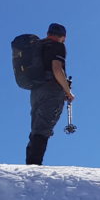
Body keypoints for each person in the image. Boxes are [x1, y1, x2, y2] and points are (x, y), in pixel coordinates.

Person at [26, 23, 74, 165]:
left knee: (36, 127)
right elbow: (57, 69)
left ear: (48, 33)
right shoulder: (58, 46)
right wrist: (67, 91)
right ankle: (34, 166)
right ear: (63, 37)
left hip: (35, 90)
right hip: (51, 90)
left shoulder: (38, 47)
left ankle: (30, 164)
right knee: (43, 128)